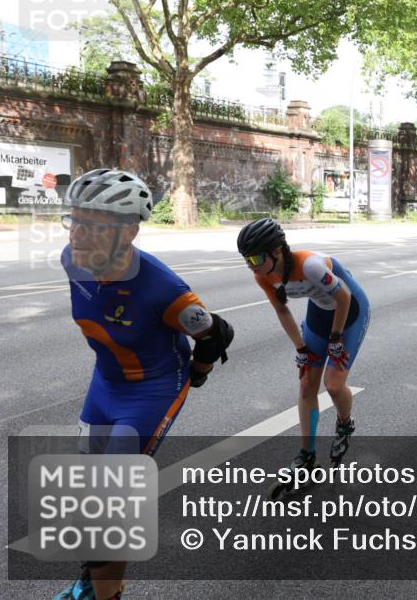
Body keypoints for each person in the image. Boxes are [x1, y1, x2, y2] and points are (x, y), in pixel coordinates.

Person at [56, 169, 234, 600]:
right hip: (106, 383)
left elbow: (216, 333)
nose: (77, 234)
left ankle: (107, 593)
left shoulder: (164, 290)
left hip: (152, 390)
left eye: (92, 225)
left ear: (129, 231)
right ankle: (91, 577)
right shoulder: (70, 259)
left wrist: (199, 372)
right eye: (73, 220)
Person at [237, 218, 370, 481]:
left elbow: (343, 298)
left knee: (333, 385)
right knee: (307, 383)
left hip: (350, 312)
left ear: (277, 251)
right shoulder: (262, 275)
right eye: (246, 260)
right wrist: (300, 347)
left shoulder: (310, 266)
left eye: (254, 258)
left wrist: (334, 339)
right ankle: (306, 456)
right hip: (320, 315)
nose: (251, 266)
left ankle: (345, 424)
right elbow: (281, 309)